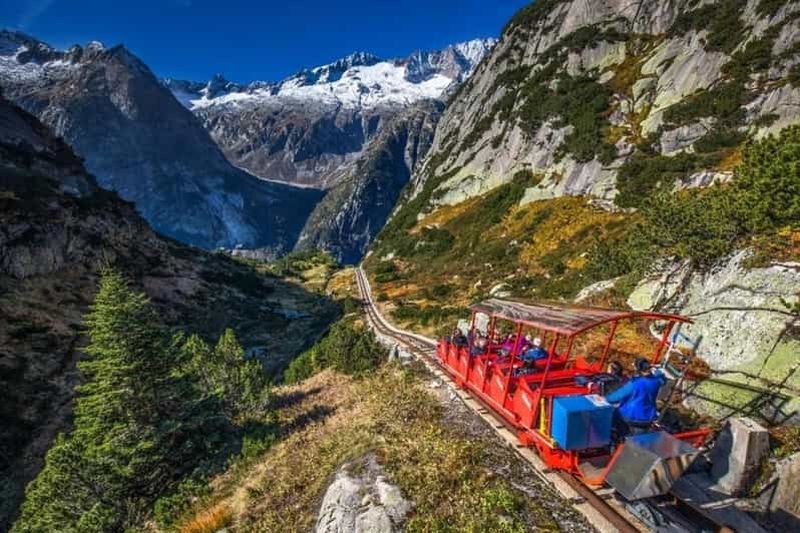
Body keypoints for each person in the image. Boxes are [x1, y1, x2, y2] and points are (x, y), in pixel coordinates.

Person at [605, 357, 667, 438]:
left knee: (613, 414)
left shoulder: (635, 383)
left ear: (638, 369)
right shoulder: (657, 381)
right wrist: (657, 371)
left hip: (629, 417)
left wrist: (605, 398)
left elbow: (616, 397)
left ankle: (615, 439)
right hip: (647, 418)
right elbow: (663, 379)